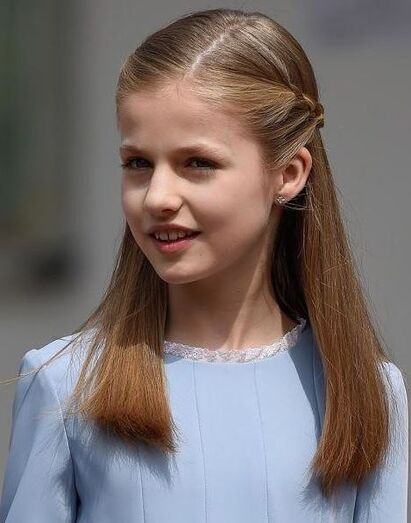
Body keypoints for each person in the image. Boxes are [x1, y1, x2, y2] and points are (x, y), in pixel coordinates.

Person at [0, 7, 408, 522]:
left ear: (288, 173)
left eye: (198, 163)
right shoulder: (66, 386)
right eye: (138, 163)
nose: (158, 197)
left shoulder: (366, 395)